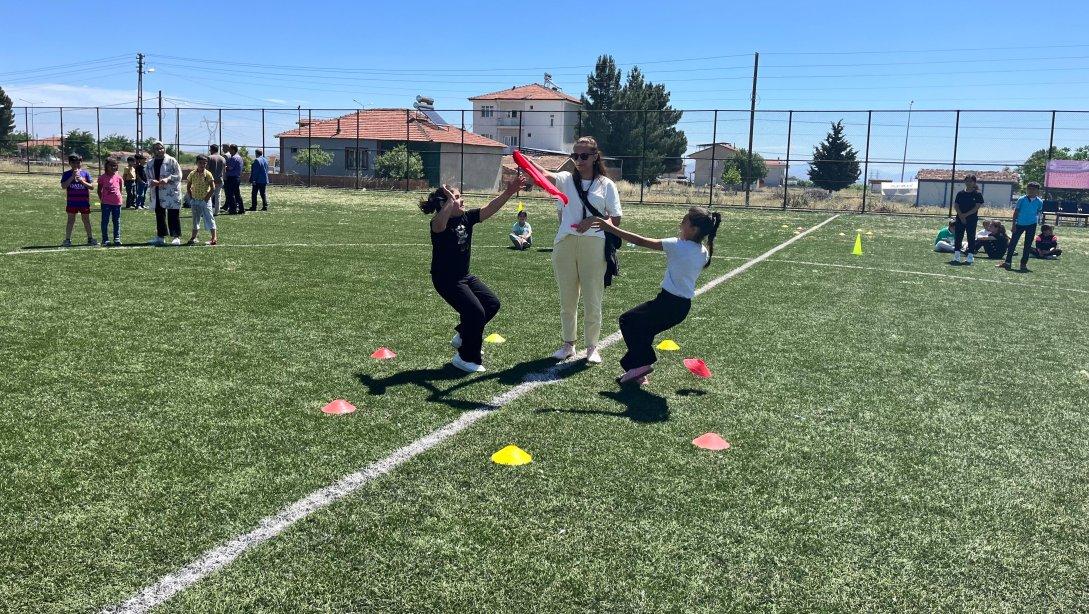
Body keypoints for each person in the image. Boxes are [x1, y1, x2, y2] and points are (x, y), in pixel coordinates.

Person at [576, 207, 720, 386]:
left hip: (668, 303)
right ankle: (638, 372)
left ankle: (643, 364)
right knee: (644, 330)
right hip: (681, 307)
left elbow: (641, 241)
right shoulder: (703, 252)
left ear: (694, 229)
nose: (680, 225)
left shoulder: (679, 245)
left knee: (627, 320)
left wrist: (610, 228)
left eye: (684, 222)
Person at [521, 137, 622, 364]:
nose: (579, 160)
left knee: (592, 298)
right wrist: (525, 160)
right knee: (567, 299)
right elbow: (544, 175)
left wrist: (595, 221)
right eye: (575, 156)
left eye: (584, 156)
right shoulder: (566, 179)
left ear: (595, 156)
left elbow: (616, 219)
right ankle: (568, 345)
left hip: (594, 245)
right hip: (565, 243)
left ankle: (592, 348)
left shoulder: (606, 185)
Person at [424, 175, 528, 373]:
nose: (461, 200)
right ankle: (465, 357)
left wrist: (508, 191)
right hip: (446, 280)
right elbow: (438, 225)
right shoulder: (438, 223)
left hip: (464, 276)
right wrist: (449, 201)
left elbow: (490, 208)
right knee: (475, 312)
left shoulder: (467, 217)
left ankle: (463, 333)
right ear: (446, 203)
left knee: (491, 304)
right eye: (456, 198)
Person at [999, 182, 1044, 272]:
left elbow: (1038, 212)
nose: (1030, 190)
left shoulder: (1040, 201)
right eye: (1029, 188)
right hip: (1019, 224)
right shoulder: (1021, 199)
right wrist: (1013, 224)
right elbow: (1016, 212)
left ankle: (1023, 264)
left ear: (1037, 191)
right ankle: (1007, 262)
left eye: (1033, 189)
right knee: (1012, 243)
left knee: (1027, 245)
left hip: (1032, 225)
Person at [144, 141, 183, 246]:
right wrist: (152, 182)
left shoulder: (171, 160)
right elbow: (147, 178)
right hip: (156, 191)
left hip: (171, 192)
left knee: (173, 213)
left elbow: (179, 175)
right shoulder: (150, 163)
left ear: (164, 149)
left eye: (161, 148)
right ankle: (160, 236)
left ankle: (176, 236)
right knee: (159, 214)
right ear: (153, 150)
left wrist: (168, 178)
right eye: (156, 149)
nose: (159, 150)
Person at [60, 154, 97, 247]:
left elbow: (92, 187)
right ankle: (67, 239)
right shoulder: (66, 174)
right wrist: (72, 177)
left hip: (84, 201)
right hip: (72, 202)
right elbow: (64, 186)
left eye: (78, 162)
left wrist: (81, 181)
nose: (76, 165)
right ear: (69, 163)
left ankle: (90, 238)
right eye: (73, 163)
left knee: (86, 220)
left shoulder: (85, 173)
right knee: (70, 220)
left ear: (81, 162)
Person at [185, 154, 218, 246]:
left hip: (205, 201)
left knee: (209, 218)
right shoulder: (192, 173)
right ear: (196, 163)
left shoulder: (208, 174)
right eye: (200, 163)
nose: (202, 165)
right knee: (195, 219)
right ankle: (193, 237)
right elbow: (188, 186)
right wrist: (191, 198)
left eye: (204, 163)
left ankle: (214, 238)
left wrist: (206, 199)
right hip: (195, 200)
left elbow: (213, 188)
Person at [951, 174, 984, 264]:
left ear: (974, 182)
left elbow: (976, 207)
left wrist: (965, 215)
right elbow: (956, 205)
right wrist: (961, 215)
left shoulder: (977, 194)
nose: (968, 183)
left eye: (971, 181)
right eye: (967, 181)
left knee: (971, 237)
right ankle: (957, 256)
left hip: (971, 219)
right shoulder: (960, 193)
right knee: (958, 237)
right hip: (960, 218)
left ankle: (970, 257)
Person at [97, 158, 124, 246]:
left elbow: (120, 189)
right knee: (105, 221)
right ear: (106, 166)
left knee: (116, 221)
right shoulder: (102, 177)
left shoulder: (118, 177)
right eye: (111, 165)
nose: (113, 167)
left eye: (115, 165)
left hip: (117, 203)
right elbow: (99, 190)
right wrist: (103, 199)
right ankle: (105, 239)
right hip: (106, 203)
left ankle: (117, 238)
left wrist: (119, 198)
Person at [224, 144, 245, 215]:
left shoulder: (233, 158)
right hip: (237, 178)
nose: (228, 150)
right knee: (237, 194)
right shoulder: (240, 157)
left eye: (229, 149)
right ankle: (241, 209)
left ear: (233, 150)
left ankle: (233, 209)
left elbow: (230, 168)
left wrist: (224, 167)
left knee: (230, 194)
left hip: (232, 178)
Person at [206, 144, 226, 216]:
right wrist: (224, 178)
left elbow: (207, 169)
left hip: (210, 180)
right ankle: (217, 211)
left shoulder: (209, 158)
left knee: (208, 196)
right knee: (218, 196)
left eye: (210, 149)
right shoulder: (222, 158)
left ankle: (208, 211)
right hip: (219, 180)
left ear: (212, 150)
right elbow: (224, 170)